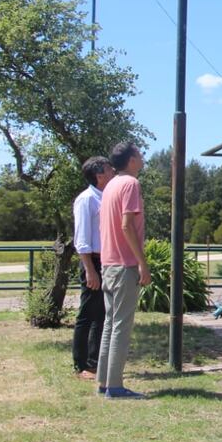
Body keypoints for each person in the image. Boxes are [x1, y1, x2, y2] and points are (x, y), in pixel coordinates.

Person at [96, 142, 151, 399]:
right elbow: (127, 225)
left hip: (108, 264)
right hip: (124, 264)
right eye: (139, 154)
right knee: (121, 325)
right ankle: (115, 387)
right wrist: (142, 262)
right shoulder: (130, 184)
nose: (142, 157)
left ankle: (104, 382)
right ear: (131, 160)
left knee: (110, 323)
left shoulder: (110, 186)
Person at [71, 156, 115, 379]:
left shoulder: (107, 197)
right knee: (88, 314)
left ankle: (95, 362)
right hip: (93, 261)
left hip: (106, 260)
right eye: (109, 169)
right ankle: (81, 365)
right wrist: (89, 269)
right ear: (99, 176)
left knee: (102, 314)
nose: (113, 171)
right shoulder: (86, 199)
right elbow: (81, 239)